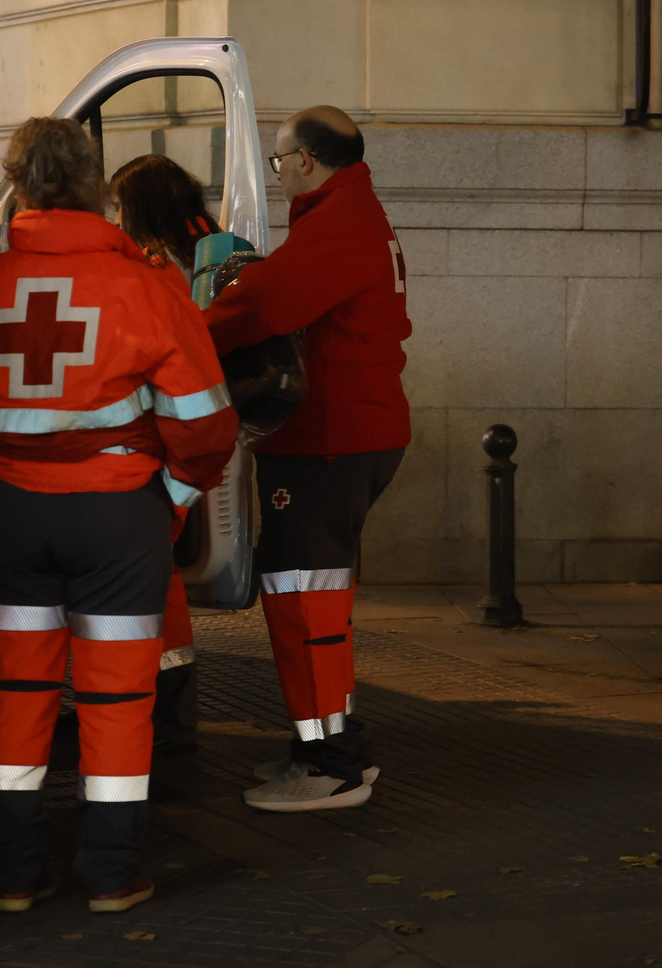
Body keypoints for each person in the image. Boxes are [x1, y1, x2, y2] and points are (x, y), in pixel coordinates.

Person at [0, 118, 237, 913]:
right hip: (120, 516)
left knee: (16, 692)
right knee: (118, 700)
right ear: (95, 188)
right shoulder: (144, 289)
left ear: (20, 188)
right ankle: (109, 874)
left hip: (15, 517)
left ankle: (13, 876)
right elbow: (205, 425)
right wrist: (175, 495)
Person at [203, 105, 412, 813]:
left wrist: (186, 332)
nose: (279, 169)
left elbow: (261, 305)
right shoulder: (351, 214)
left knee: (305, 605)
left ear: (307, 162)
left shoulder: (336, 225)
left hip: (331, 441)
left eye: (280, 158)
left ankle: (334, 767)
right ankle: (325, 748)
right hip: (342, 436)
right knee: (308, 600)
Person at [109, 153, 223, 754]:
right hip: (177, 452)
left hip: (151, 451)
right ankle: (170, 723)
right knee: (164, 591)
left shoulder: (153, 272)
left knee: (151, 594)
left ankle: (161, 728)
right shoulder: (198, 257)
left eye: (119, 205)